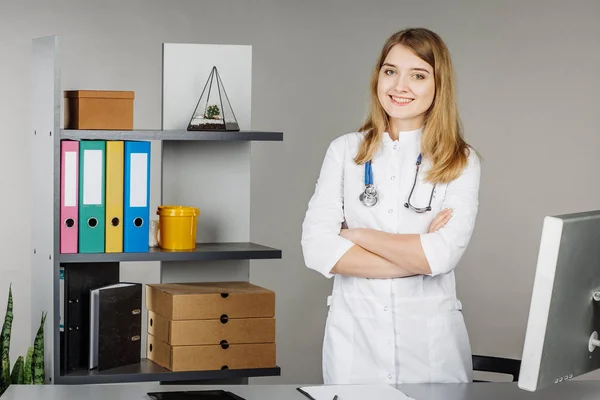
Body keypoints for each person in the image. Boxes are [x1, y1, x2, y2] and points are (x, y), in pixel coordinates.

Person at [301, 27, 481, 385]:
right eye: (390, 71)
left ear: (438, 85)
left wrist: (356, 235)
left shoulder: (460, 160)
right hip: (357, 343)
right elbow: (316, 249)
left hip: (431, 350)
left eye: (418, 75)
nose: (400, 86)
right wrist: (417, 256)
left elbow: (441, 257)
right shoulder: (345, 151)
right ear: (378, 77)